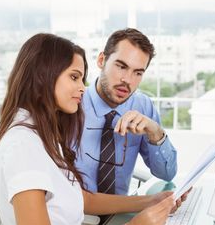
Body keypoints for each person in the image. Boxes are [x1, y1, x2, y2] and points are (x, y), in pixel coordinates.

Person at [0, 33, 186, 225]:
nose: (81, 88)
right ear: (42, 76)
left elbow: (80, 197)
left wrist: (150, 202)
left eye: (82, 79)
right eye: (74, 77)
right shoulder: (24, 145)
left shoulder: (41, 133)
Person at [75, 28, 177, 197]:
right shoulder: (74, 102)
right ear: (101, 60)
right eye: (121, 67)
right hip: (75, 215)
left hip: (119, 215)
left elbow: (167, 174)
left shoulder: (143, 106)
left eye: (138, 73)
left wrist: (156, 131)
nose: (128, 80)